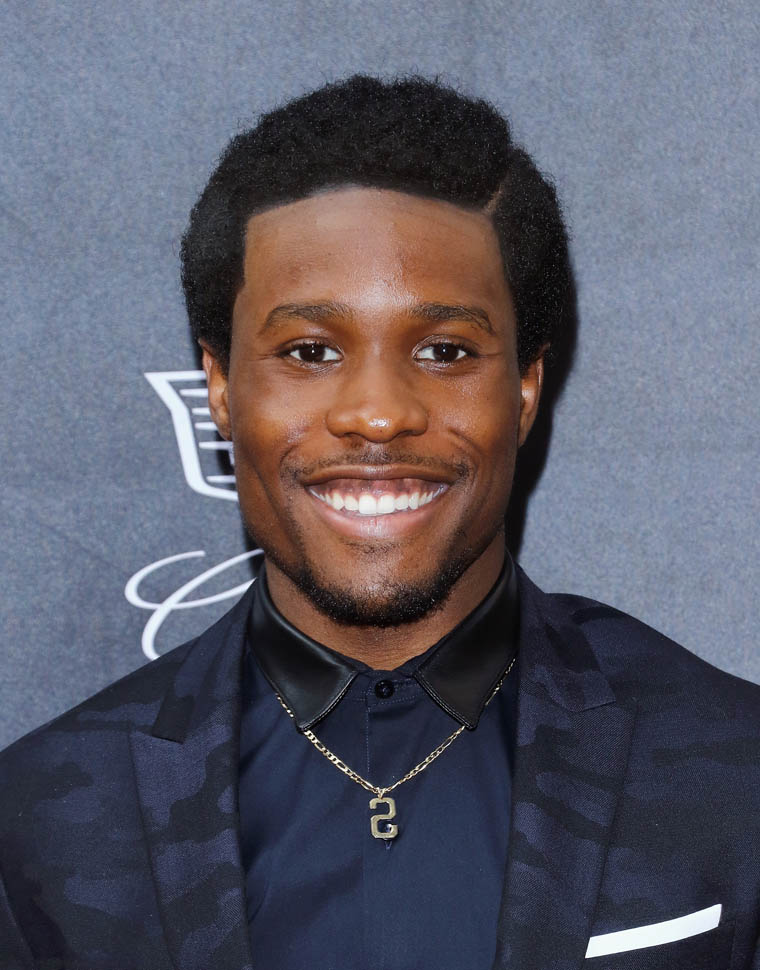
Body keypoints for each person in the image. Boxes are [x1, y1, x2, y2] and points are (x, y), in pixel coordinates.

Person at [1, 74, 758, 970]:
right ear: (220, 388)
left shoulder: (733, 775)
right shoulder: (43, 828)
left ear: (524, 388)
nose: (378, 413)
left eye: (443, 351)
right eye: (309, 351)